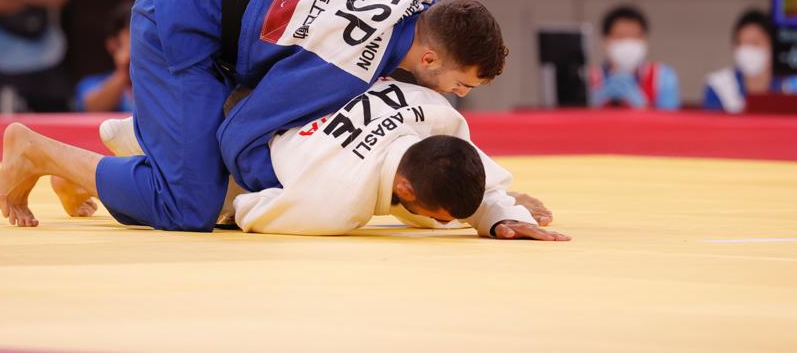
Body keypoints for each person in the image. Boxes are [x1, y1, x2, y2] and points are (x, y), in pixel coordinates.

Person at [0, 0, 508, 233]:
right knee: (191, 204)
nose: (454, 96)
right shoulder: (346, 61)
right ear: (428, 55)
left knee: (221, 129)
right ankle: (37, 152)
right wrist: (294, 176)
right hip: (182, 15)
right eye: (459, 84)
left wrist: (489, 203)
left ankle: (99, 172)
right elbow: (239, 135)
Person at [44, 77, 566, 240]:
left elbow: (463, 165)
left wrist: (498, 215)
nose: (441, 224)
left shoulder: (433, 112)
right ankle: (57, 158)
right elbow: (249, 213)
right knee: (199, 208)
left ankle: (119, 151)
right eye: (439, 216)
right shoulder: (334, 202)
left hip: (255, 89)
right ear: (405, 192)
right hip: (226, 125)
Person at [702, 9, 797, 113]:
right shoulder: (719, 86)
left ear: (773, 45)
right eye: (742, 44)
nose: (748, 50)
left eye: (755, 43)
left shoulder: (794, 87)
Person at [588, 5, 680, 110]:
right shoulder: (587, 77)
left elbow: (670, 120)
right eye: (620, 36)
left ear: (644, 40)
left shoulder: (661, 76)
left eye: (635, 37)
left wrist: (643, 106)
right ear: (605, 42)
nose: (628, 43)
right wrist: (592, 104)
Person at [74, 0, 134, 113]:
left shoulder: (166, 79)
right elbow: (92, 108)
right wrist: (123, 71)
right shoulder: (91, 84)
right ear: (113, 45)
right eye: (134, 36)